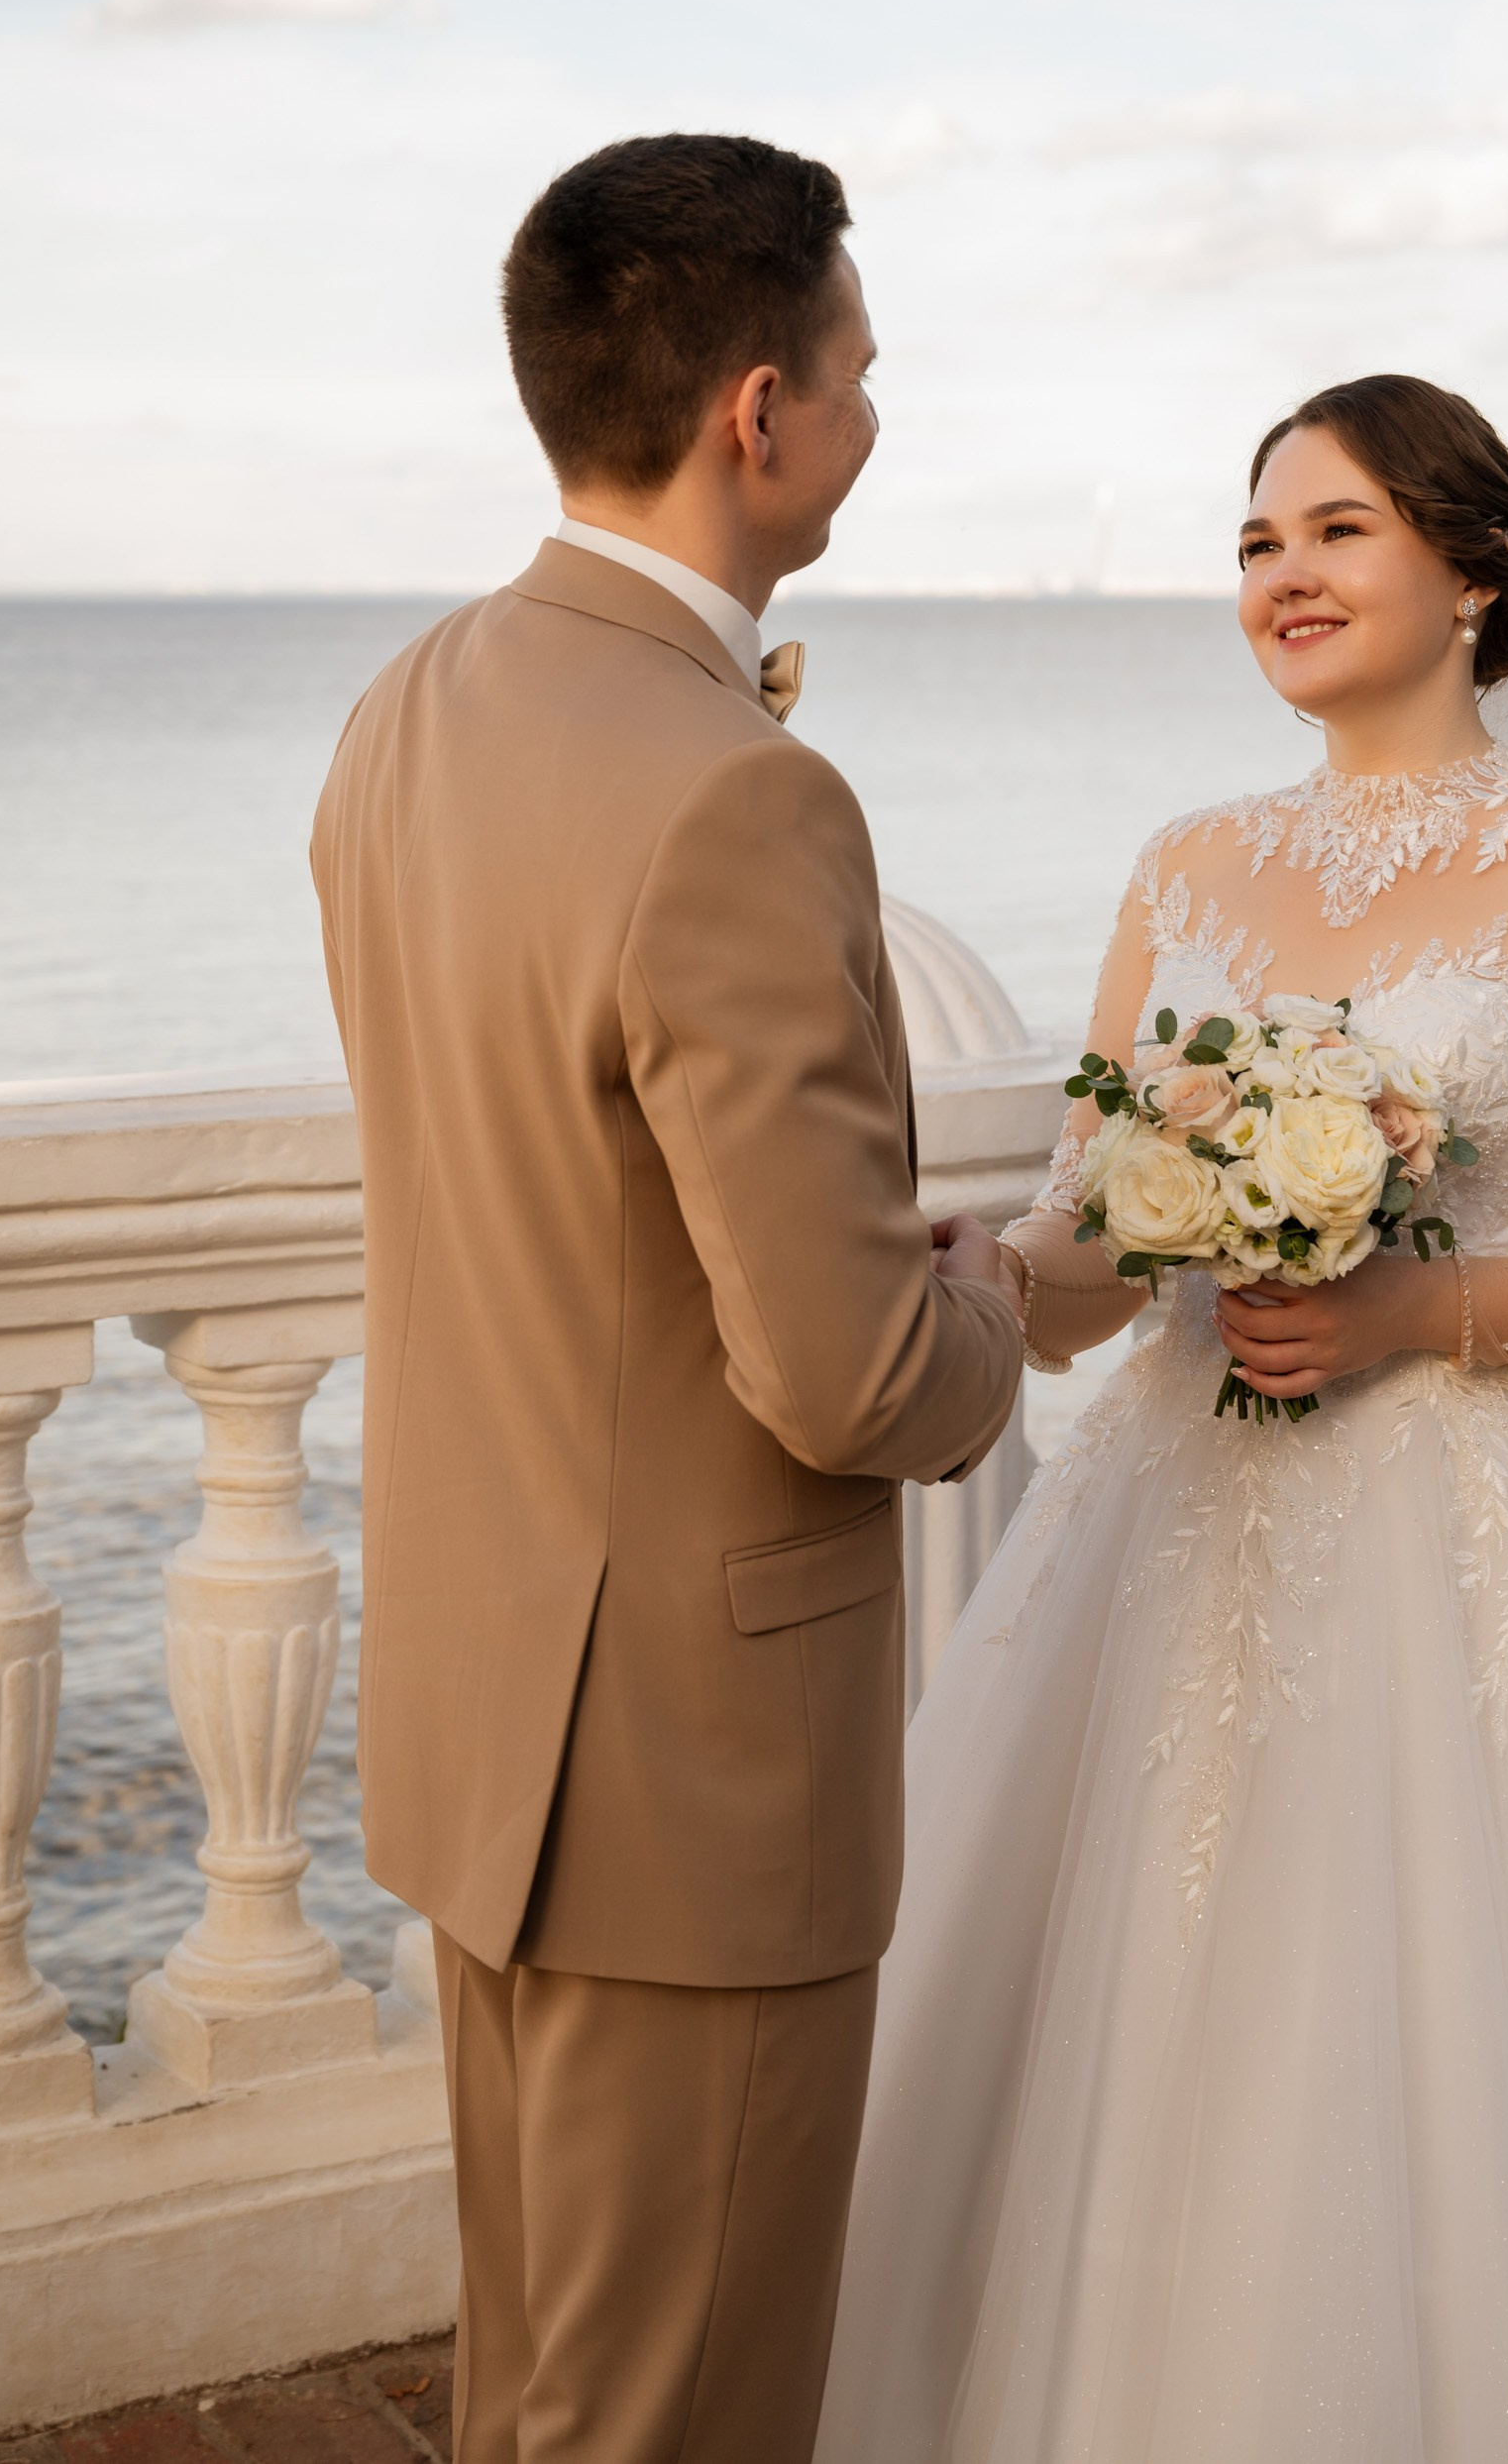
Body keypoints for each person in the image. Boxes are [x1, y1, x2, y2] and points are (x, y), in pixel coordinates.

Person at [814, 375, 1508, 2463]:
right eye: (1255, 544)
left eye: (1334, 530)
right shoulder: (1188, 869)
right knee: (1158, 2030)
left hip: (1494, 1551)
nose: (1283, 576)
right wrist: (970, 1262)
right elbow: (1094, 1265)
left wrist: (1412, 1306)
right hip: (1178, 1546)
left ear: (1474, 570)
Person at [310, 134, 1023, 2464]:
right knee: (681, 2420)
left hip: (478, 1718)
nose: (873, 412)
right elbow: (845, 1379)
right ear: (757, 406)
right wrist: (1015, 1298)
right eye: (860, 366)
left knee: (540, 2394)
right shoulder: (738, 793)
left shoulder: (406, 706)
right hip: (694, 1785)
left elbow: (545, 1188)